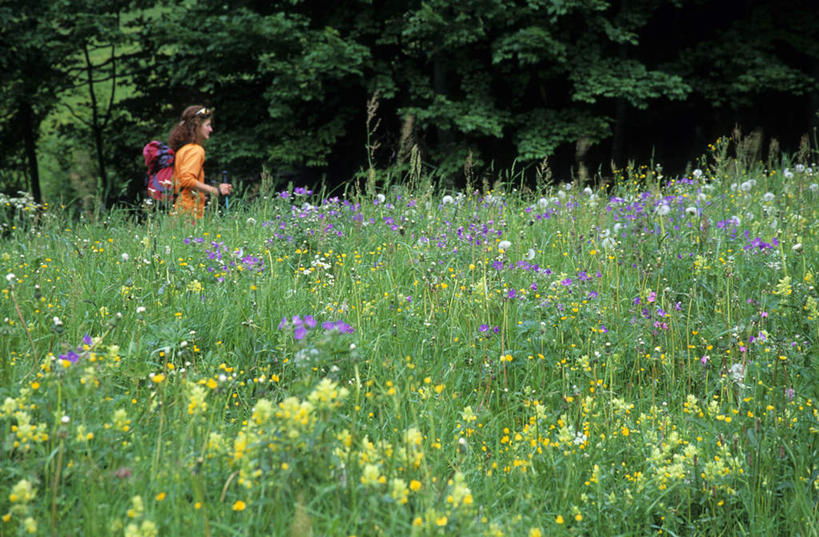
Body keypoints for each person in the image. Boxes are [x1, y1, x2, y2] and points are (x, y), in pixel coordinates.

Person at [167, 105, 232, 220]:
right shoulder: (195, 150)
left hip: (180, 209)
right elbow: (187, 179)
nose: (210, 129)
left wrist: (202, 194)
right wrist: (216, 191)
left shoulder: (183, 149)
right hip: (189, 214)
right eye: (207, 125)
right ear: (197, 126)